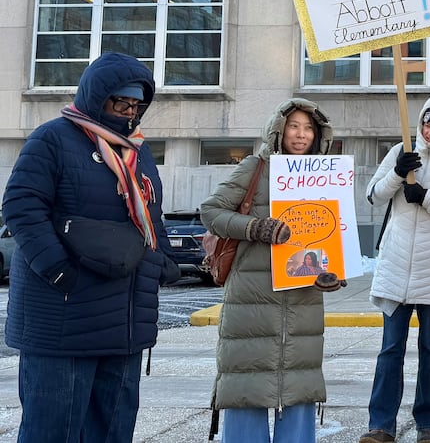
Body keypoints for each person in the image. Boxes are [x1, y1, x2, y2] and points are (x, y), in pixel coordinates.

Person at [1, 52, 178, 442]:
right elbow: (21, 207)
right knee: (54, 430)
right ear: (97, 96)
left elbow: (151, 211)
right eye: (120, 102)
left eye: (136, 105)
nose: (129, 112)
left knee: (111, 429)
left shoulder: (137, 151)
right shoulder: (52, 139)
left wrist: (162, 260)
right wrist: (57, 270)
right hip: (64, 315)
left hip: (125, 319)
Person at [200, 98, 348, 443]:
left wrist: (331, 273)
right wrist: (256, 228)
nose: (301, 134)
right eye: (294, 126)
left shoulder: (325, 176)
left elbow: (330, 237)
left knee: (300, 388)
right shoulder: (256, 167)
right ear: (278, 130)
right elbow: (211, 211)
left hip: (302, 306)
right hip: (252, 301)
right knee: (245, 386)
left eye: (308, 128)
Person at [360, 94, 430, 443]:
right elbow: (373, 195)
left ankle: (427, 426)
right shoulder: (399, 152)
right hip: (396, 267)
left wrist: (426, 197)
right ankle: (381, 426)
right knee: (390, 351)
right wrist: (397, 175)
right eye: (427, 123)